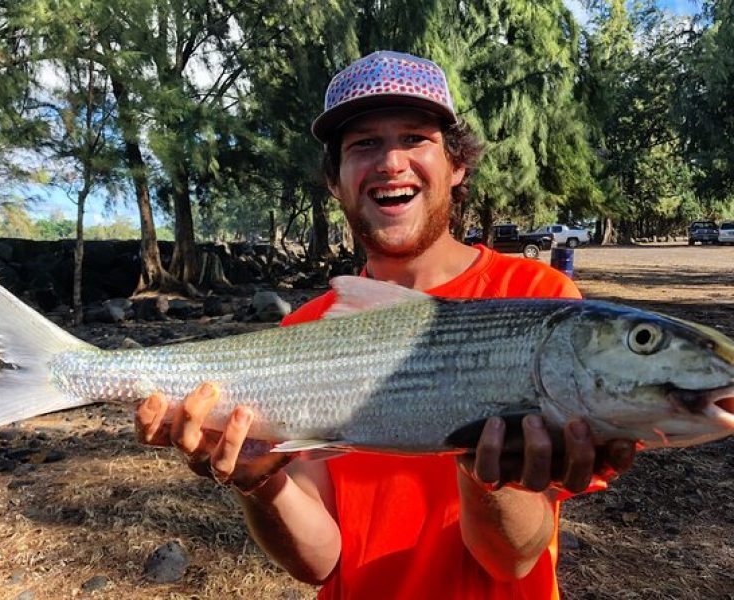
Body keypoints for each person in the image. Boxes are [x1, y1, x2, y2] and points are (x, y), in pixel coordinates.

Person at [135, 51, 636, 599]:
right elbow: (321, 561)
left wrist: (494, 479)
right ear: (336, 179)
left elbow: (510, 562)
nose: (391, 162)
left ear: (457, 164)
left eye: (416, 138)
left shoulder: (538, 301)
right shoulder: (306, 330)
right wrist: (260, 481)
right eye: (364, 144)